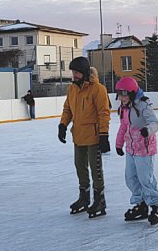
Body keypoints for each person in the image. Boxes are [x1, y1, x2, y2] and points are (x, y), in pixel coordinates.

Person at [58, 56, 111, 218]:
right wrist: (63, 125)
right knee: (80, 167)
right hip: (78, 135)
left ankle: (100, 200)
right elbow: (68, 109)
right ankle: (84, 198)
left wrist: (104, 135)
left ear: (85, 72)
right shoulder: (72, 88)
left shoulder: (98, 89)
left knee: (95, 170)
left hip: (94, 137)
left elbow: (104, 113)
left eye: (77, 72)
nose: (74, 75)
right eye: (72, 72)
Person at [114, 77, 158, 225]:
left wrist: (147, 130)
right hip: (131, 149)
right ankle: (141, 205)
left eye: (123, 94)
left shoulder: (143, 106)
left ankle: (155, 206)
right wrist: (118, 143)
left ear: (132, 93)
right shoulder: (124, 107)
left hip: (145, 149)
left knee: (145, 179)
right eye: (119, 94)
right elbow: (123, 127)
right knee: (130, 178)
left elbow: (155, 123)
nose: (121, 97)